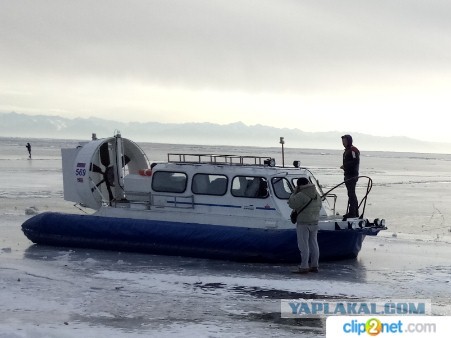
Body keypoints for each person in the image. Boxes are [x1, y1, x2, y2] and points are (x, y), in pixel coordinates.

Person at [288, 177, 322, 274]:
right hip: (315, 221)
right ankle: (314, 265)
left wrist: (294, 193)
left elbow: (292, 204)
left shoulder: (301, 194)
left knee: (303, 245)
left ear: (299, 185)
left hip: (303, 223)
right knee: (314, 244)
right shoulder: (316, 194)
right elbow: (320, 206)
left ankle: (304, 267)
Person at [340, 134, 360, 219]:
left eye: (344, 141)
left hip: (352, 175)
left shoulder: (353, 150)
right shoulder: (347, 151)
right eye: (342, 141)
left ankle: (353, 213)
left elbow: (355, 161)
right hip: (348, 174)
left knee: (351, 194)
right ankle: (354, 212)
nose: (343, 143)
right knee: (351, 194)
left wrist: (345, 166)